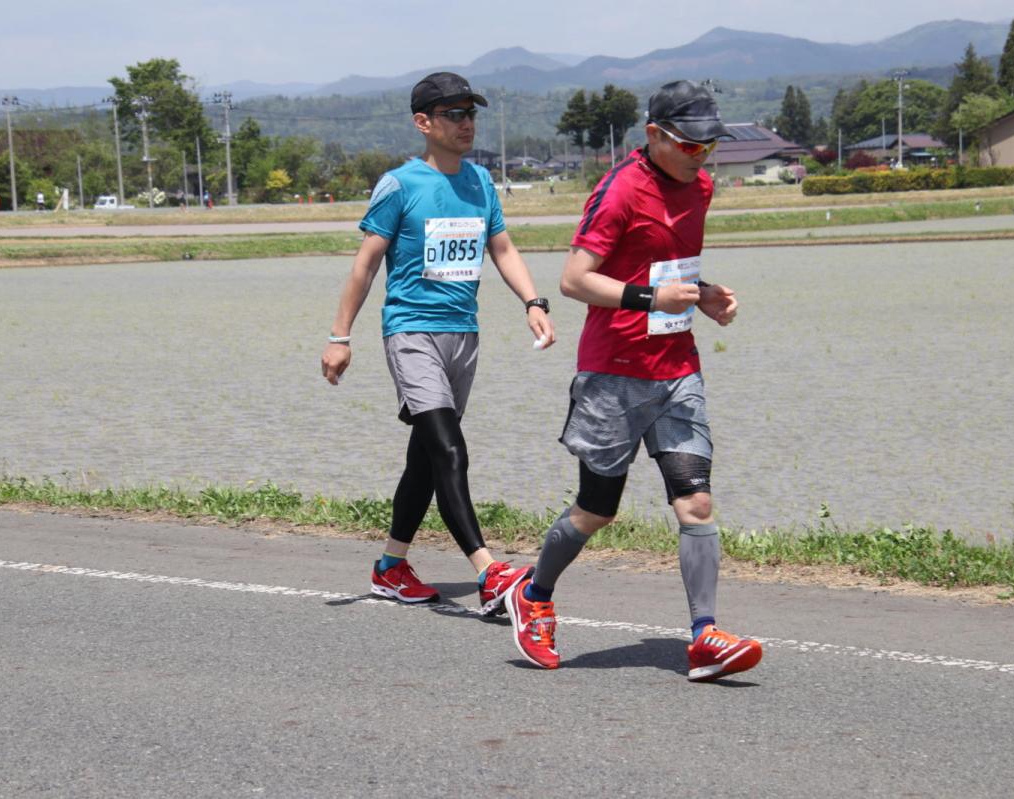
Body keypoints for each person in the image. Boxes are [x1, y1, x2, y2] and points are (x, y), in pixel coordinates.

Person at [505, 80, 763, 681]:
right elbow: (574, 280)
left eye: (710, 148)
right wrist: (650, 298)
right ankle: (534, 593)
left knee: (695, 501)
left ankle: (704, 637)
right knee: (598, 510)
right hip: (612, 374)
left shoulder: (699, 186)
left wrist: (703, 297)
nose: (703, 158)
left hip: (677, 369)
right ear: (654, 136)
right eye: (691, 147)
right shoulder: (620, 190)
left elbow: (669, 268)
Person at [321, 72, 556, 614]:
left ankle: (390, 567)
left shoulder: (479, 183)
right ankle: (490, 572)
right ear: (423, 123)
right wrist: (340, 336)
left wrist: (533, 302)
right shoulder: (399, 185)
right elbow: (365, 264)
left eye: (469, 112)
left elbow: (503, 250)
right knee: (450, 448)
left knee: (426, 458)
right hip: (411, 332)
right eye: (453, 114)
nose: (466, 123)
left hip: (464, 336)